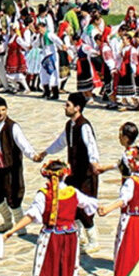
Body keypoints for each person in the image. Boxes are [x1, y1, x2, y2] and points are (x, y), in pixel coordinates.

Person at [5, 161, 100, 276]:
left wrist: (11, 230)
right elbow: (90, 204)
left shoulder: (44, 195)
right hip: (70, 239)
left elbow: (32, 215)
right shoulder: (73, 193)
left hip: (51, 240)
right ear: (65, 174)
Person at [34, 93, 102, 253]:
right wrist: (45, 152)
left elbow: (91, 144)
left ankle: (94, 240)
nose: (65, 107)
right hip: (73, 173)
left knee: (85, 209)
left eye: (68, 105)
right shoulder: (69, 126)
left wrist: (94, 163)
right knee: (73, 204)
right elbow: (60, 142)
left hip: (86, 174)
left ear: (77, 108)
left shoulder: (84, 126)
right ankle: (81, 238)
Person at [96, 146, 139, 276]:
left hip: (132, 224)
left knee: (127, 257)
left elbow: (123, 200)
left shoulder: (131, 181)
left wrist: (107, 209)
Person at [0, 96, 38, 233]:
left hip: (12, 167)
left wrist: (32, 155)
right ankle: (8, 221)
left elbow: (22, 143)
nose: (1, 113)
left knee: (14, 197)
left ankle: (20, 226)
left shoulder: (13, 126)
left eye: (3, 109)